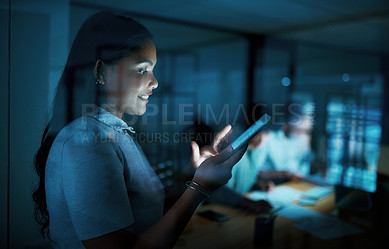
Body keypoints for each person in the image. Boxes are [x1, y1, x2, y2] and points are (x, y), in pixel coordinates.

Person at [32, 11, 246, 249]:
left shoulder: (113, 133)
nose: (155, 82)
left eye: (152, 70)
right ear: (101, 72)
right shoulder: (86, 142)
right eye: (143, 70)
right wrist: (199, 189)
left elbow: (147, 214)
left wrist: (193, 174)